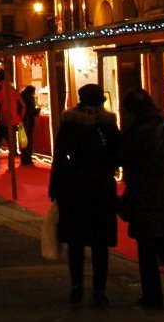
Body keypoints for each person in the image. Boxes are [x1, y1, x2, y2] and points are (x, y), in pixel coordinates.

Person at [117, 87, 164, 309]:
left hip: (146, 191)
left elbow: (124, 158)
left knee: (147, 248)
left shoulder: (136, 133)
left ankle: (153, 295)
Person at [48, 83, 121, 307]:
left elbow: (59, 156)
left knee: (76, 242)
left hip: (74, 187)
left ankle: (77, 287)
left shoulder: (70, 123)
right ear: (100, 100)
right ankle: (100, 289)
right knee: (100, 243)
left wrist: (55, 186)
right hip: (101, 187)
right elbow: (118, 155)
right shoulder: (107, 125)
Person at [0, 69, 24, 165]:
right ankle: (10, 163)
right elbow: (23, 105)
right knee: (11, 144)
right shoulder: (13, 90)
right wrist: (20, 118)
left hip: (1, 120)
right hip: (12, 120)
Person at [20, 84, 39, 165]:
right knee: (29, 138)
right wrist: (37, 111)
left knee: (23, 139)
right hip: (29, 119)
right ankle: (28, 158)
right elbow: (31, 110)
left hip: (22, 119)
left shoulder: (21, 96)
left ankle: (23, 157)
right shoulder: (30, 98)